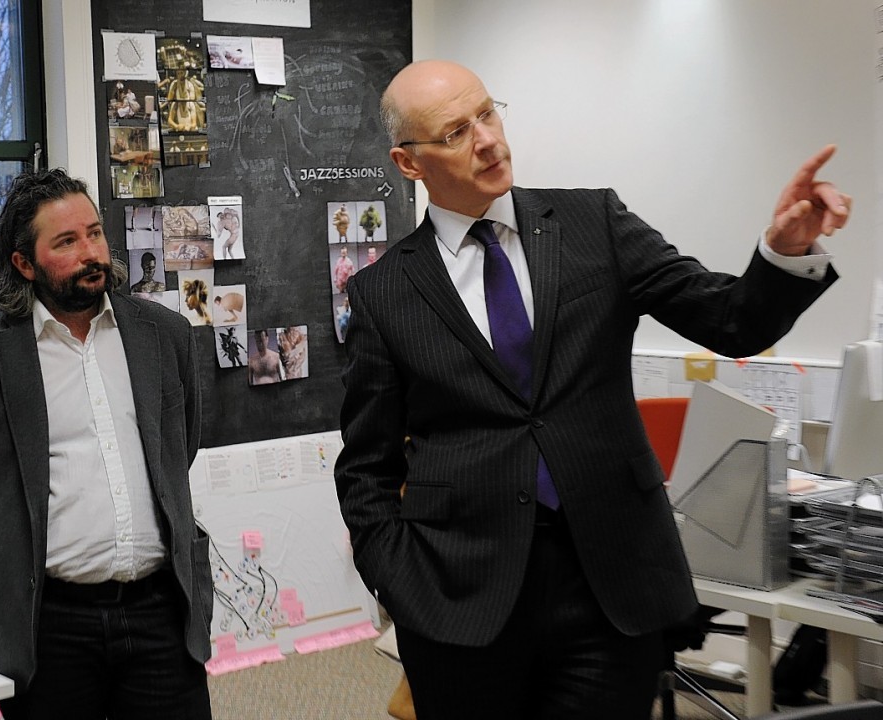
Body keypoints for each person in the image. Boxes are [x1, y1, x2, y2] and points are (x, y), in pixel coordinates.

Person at [335, 59, 848, 720]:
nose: (488, 139)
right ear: (410, 163)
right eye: (457, 131)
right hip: (458, 596)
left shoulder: (594, 224)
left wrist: (781, 251)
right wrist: (401, 584)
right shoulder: (384, 293)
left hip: (608, 589)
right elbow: (367, 468)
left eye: (489, 113)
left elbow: (730, 318)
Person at [0, 168, 212, 720]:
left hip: (160, 609)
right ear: (24, 263)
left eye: (95, 233)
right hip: (45, 621)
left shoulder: (166, 336)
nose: (92, 253)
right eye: (66, 241)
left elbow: (181, 448)